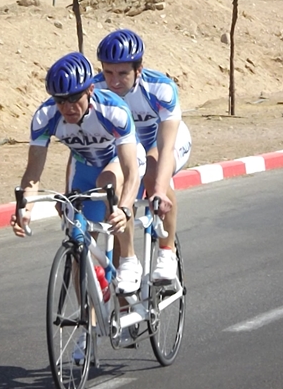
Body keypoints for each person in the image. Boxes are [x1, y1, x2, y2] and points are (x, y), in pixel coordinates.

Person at [11, 51, 146, 294]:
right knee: (77, 237)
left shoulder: (113, 110)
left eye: (74, 98)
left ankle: (128, 258)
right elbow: (32, 174)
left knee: (107, 182)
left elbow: (131, 171)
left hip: (120, 159)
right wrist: (24, 210)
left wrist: (125, 209)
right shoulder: (45, 117)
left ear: (90, 90)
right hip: (83, 165)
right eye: (60, 100)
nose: (67, 107)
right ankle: (90, 326)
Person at [94, 29, 192, 282]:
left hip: (166, 140)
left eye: (123, 73)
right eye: (109, 72)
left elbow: (166, 145)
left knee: (152, 171)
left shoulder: (160, 89)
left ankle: (167, 252)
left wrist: (158, 189)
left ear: (139, 69)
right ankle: (125, 297)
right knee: (115, 202)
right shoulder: (96, 91)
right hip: (131, 147)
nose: (114, 81)